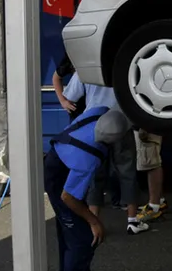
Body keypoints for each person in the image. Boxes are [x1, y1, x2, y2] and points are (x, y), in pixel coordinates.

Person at [45, 106, 130, 271]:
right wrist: (94, 221)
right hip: (59, 180)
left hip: (59, 159)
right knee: (83, 240)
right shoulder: (87, 159)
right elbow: (68, 197)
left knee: (69, 235)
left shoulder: (97, 112)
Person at [62, 71, 149, 235]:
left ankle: (93, 220)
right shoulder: (124, 65)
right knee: (127, 172)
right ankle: (132, 220)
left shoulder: (86, 67)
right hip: (121, 123)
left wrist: (63, 101)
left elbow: (71, 96)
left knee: (96, 174)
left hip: (95, 125)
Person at [135, 129, 170, 223]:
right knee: (151, 161)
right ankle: (159, 201)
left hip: (147, 127)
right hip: (145, 125)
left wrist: (144, 127)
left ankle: (154, 207)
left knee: (151, 163)